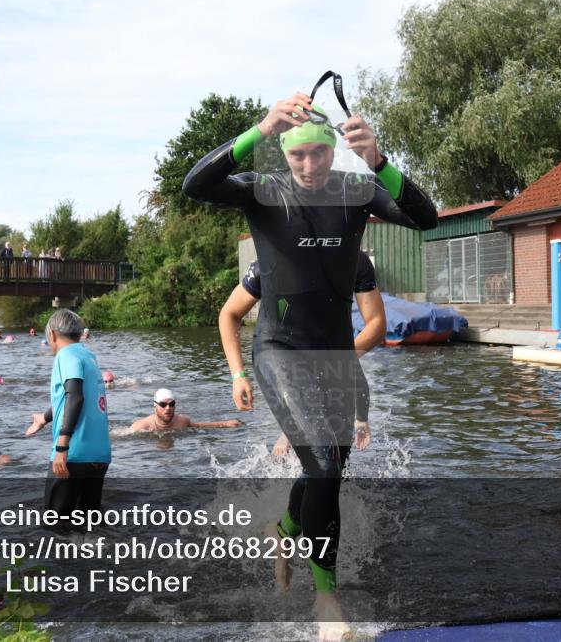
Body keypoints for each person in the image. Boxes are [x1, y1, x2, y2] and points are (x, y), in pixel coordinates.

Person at [183, 88, 436, 635]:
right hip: (279, 350)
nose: (309, 165)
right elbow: (194, 183)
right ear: (285, 154)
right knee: (321, 461)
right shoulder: (262, 190)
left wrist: (381, 162)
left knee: (331, 471)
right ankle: (327, 603)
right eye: (298, 154)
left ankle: (289, 526)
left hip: (334, 356)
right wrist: (260, 129)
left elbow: (427, 218)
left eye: (318, 153)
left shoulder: (356, 190)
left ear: (332, 151)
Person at [219, 252, 385, 458]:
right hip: (285, 357)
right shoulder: (271, 261)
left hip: (333, 355)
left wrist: (362, 419)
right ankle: (288, 440)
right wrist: (238, 376)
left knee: (338, 462)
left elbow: (377, 325)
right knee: (319, 456)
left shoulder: (354, 259)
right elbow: (229, 313)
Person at [24, 309, 111, 515]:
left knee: (57, 525)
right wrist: (43, 418)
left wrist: (62, 447)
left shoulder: (65, 355)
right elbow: (72, 398)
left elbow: (75, 397)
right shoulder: (88, 356)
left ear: (52, 334)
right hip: (99, 455)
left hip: (74, 455)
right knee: (89, 525)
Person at [128, 389, 242, 433]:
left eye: (171, 404)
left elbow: (199, 425)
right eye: (163, 404)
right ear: (155, 406)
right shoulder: (141, 427)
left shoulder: (182, 421)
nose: (168, 408)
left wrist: (226, 423)